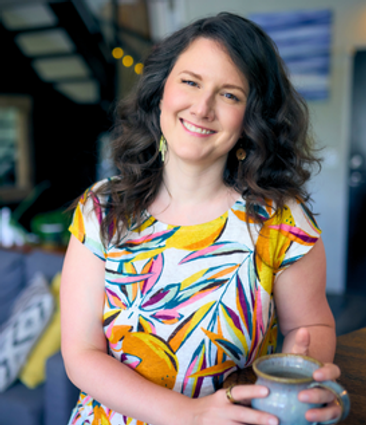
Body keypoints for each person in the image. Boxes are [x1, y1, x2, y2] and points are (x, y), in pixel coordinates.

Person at [61, 12, 342, 425]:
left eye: (229, 95)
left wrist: (306, 373)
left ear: (251, 118)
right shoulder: (101, 211)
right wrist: (187, 414)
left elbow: (312, 324)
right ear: (161, 92)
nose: (203, 107)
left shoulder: (282, 222)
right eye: (190, 82)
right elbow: (81, 354)